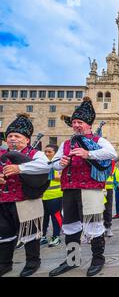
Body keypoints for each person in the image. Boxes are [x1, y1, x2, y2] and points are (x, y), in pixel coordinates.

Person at [49, 97, 117, 277]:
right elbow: (54, 164)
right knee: (71, 226)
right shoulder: (66, 144)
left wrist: (88, 153)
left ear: (88, 124)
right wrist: (61, 163)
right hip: (70, 189)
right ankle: (72, 259)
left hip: (91, 189)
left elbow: (112, 153)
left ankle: (97, 259)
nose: (77, 125)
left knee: (94, 225)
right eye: (75, 122)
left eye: (80, 122)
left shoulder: (98, 140)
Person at [0, 114, 51, 277]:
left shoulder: (35, 154)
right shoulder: (2, 155)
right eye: (10, 136)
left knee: (31, 233)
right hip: (4, 200)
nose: (13, 139)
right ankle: (5, 264)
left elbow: (45, 167)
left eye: (17, 136)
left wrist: (19, 169)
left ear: (27, 139)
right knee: (5, 234)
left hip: (27, 199)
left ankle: (33, 262)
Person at [41, 144, 63, 247]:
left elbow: (60, 176)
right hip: (42, 196)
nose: (47, 153)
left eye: (49, 152)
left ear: (55, 153)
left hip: (55, 195)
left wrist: (46, 173)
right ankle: (43, 236)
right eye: (45, 151)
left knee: (56, 216)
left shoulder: (59, 163)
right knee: (43, 217)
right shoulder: (42, 163)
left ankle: (56, 236)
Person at [103, 160, 115, 238]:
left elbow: (111, 172)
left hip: (108, 187)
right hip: (96, 187)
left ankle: (107, 227)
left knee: (108, 208)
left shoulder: (111, 160)